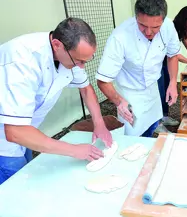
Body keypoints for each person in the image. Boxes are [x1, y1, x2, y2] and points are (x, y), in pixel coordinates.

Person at [0, 17, 113, 185]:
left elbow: (86, 89)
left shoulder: (70, 56)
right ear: (57, 45)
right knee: (15, 188)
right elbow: (15, 132)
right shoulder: (21, 62)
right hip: (4, 140)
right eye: (79, 61)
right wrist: (74, 150)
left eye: (86, 60)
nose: (81, 67)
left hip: (28, 130)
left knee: (27, 172)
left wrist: (99, 123)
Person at [96, 0, 181, 138]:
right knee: (132, 135)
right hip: (130, 93)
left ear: (163, 20)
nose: (148, 32)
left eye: (155, 27)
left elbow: (172, 55)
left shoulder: (168, 26)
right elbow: (103, 80)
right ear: (136, 17)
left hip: (152, 87)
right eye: (142, 25)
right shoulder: (120, 37)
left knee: (153, 122)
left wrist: (173, 82)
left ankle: (153, 132)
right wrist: (119, 101)